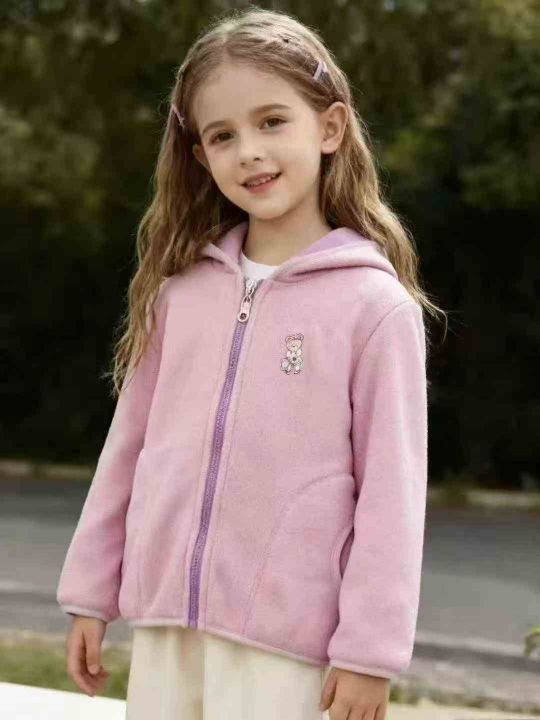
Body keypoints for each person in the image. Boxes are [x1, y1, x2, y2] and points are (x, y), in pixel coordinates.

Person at [56, 7, 445, 720]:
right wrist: (90, 591)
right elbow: (128, 450)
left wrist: (369, 653)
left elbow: (392, 495)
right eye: (223, 135)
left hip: (288, 648)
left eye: (271, 122)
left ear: (329, 127)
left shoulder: (374, 307)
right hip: (167, 626)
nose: (249, 152)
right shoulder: (180, 295)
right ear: (200, 156)